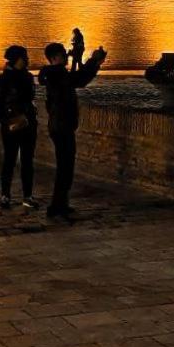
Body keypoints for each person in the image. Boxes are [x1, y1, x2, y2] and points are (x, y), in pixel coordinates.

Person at [37, 41, 107, 220]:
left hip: (61, 124)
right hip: (61, 126)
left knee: (65, 167)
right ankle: (57, 206)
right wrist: (93, 62)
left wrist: (89, 62)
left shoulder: (55, 74)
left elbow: (76, 79)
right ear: (54, 58)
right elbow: (78, 80)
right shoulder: (55, 74)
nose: (66, 57)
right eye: (62, 55)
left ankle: (60, 204)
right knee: (65, 167)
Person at [0, 44, 39, 210]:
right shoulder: (2, 81)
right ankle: (5, 194)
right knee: (9, 160)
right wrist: (8, 121)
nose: (26, 60)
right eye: (23, 57)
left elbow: (30, 98)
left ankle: (27, 196)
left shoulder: (28, 78)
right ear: (15, 59)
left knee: (28, 161)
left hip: (28, 124)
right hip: (11, 125)